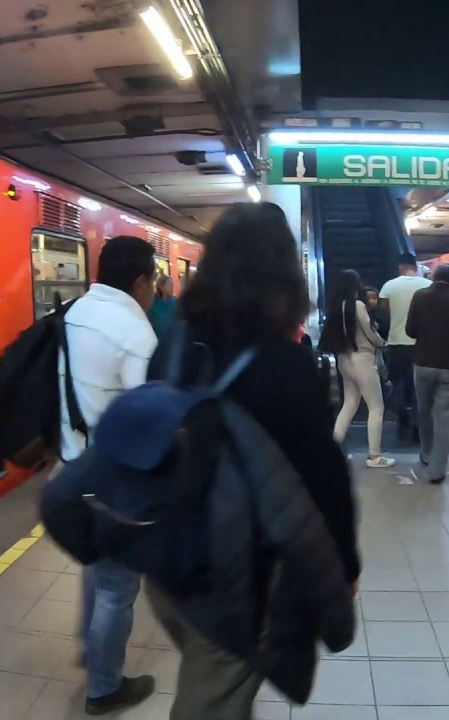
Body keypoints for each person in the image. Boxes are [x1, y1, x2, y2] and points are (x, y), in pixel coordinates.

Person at [145, 203, 360, 719]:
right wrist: (344, 566)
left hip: (166, 557)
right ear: (283, 273)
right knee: (213, 694)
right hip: (233, 575)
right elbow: (321, 475)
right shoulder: (282, 364)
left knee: (215, 678)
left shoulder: (175, 342)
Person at [59, 235, 160, 715]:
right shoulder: (135, 332)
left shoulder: (73, 311)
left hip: (72, 466)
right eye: (154, 283)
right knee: (118, 588)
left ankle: (89, 645)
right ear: (141, 282)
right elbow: (148, 419)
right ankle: (105, 687)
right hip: (115, 478)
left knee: (94, 567)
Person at [405, 263, 449, 484]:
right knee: (443, 418)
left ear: (433, 277)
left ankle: (426, 453)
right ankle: (437, 470)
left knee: (424, 411)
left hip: (424, 363)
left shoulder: (420, 296)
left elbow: (410, 330)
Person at [322, 270, 393, 468]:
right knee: (376, 407)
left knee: (349, 404)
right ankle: (375, 455)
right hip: (362, 359)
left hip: (344, 359)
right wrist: (382, 342)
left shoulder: (337, 307)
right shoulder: (358, 306)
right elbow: (369, 332)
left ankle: (334, 451)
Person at [378, 252, 431, 435]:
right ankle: (418, 424)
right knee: (419, 386)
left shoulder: (389, 286)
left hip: (397, 343)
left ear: (400, 266)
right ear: (415, 267)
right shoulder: (428, 286)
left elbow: (385, 311)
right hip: (422, 345)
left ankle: (402, 418)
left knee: (398, 382)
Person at [146, 273, 177, 339]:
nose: (172, 287)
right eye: (169, 284)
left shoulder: (175, 302)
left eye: (172, 284)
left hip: (171, 339)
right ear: (161, 286)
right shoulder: (152, 303)